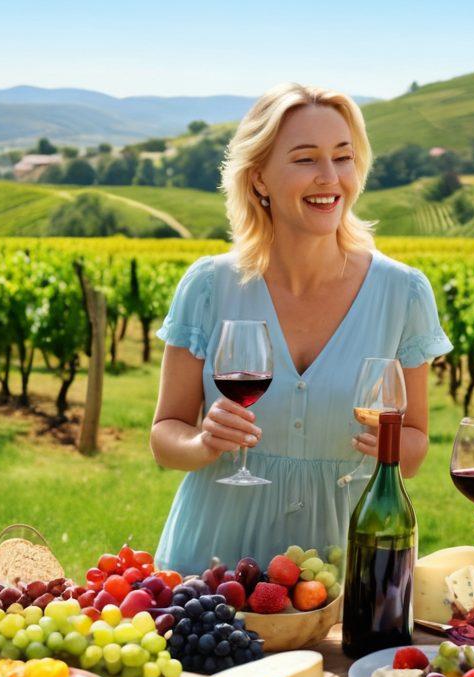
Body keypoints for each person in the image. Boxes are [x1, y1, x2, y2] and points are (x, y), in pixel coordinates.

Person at [150, 83, 451, 575]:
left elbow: (415, 447)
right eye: (306, 159)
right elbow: (165, 435)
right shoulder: (210, 285)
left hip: (344, 564)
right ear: (259, 178)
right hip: (210, 565)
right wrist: (202, 443)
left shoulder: (403, 293)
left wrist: (392, 448)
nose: (329, 178)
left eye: (343, 157)